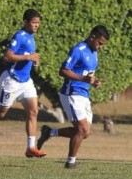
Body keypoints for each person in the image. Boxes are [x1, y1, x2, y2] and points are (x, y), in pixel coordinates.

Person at [0, 9, 46, 158]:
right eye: (34, 22)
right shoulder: (20, 36)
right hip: (11, 81)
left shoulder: (31, 37)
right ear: (25, 22)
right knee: (0, 113)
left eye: (38, 23)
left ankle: (30, 147)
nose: (36, 25)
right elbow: (8, 56)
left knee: (33, 111)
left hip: (25, 82)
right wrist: (27, 57)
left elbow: (27, 56)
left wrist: (33, 60)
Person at [37, 25, 110, 169]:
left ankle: (49, 132)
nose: (101, 47)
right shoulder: (78, 50)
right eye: (100, 43)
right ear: (92, 36)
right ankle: (70, 163)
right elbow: (63, 70)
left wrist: (94, 82)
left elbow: (87, 74)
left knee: (85, 133)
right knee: (82, 129)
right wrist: (83, 79)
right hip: (71, 93)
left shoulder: (94, 53)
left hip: (84, 94)